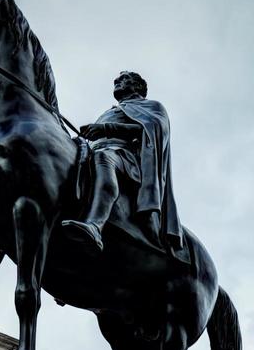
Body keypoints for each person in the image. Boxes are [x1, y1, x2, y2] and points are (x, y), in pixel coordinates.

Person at [62, 70, 184, 259]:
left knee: (104, 158)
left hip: (125, 158)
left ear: (137, 86)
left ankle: (95, 226)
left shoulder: (152, 107)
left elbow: (150, 131)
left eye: (124, 79)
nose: (117, 82)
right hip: (95, 150)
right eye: (117, 80)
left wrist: (105, 129)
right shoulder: (110, 111)